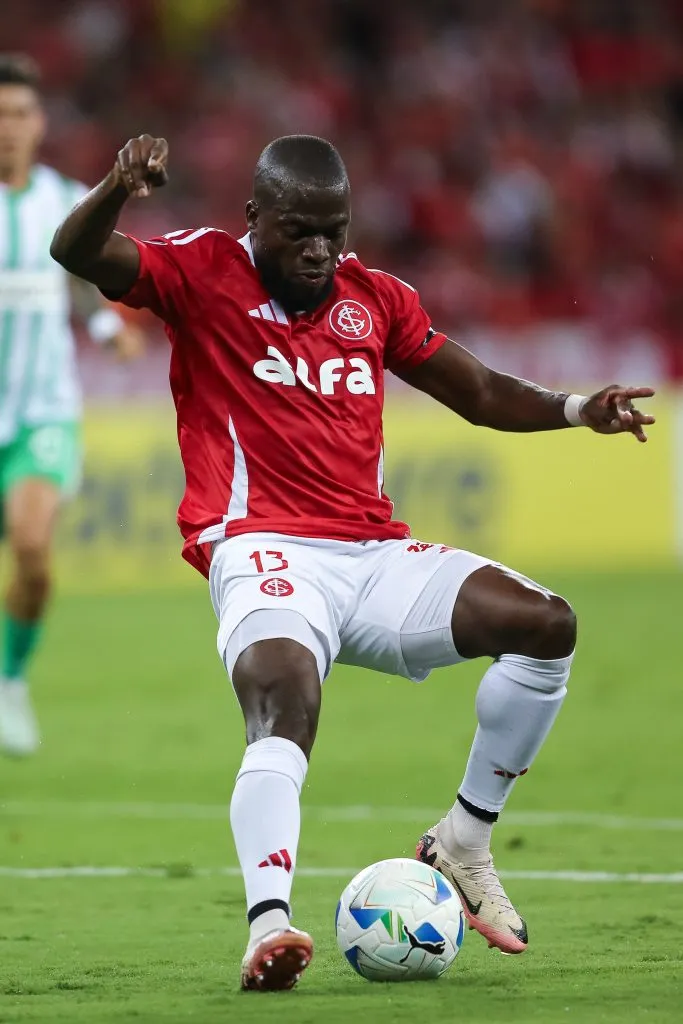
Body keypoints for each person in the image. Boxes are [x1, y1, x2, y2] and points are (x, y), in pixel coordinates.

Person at [50, 132, 655, 992]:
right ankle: (269, 925)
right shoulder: (198, 271)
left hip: (371, 555)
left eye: (333, 230)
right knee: (285, 696)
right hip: (259, 544)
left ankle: (464, 839)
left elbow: (477, 392)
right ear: (255, 217)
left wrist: (574, 408)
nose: (319, 249)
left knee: (544, 625)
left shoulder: (373, 299)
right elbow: (73, 252)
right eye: (300, 230)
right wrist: (118, 184)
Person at [0, 55, 143, 757]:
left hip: (41, 413)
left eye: (20, 115)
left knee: (31, 546)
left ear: (39, 123)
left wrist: (108, 327)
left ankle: (10, 682)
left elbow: (81, 281)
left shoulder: (62, 198)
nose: (8, 129)